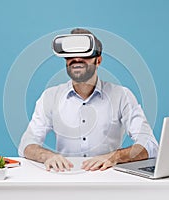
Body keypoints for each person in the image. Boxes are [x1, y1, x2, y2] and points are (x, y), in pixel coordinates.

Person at [18, 28, 158, 172]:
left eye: (84, 54)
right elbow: (26, 144)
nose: (77, 59)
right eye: (70, 55)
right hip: (65, 179)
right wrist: (47, 156)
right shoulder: (50, 97)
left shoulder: (122, 95)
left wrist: (114, 157)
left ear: (98, 60)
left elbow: (150, 145)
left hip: (108, 180)